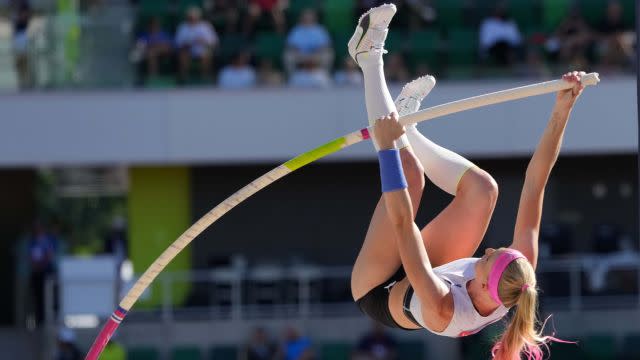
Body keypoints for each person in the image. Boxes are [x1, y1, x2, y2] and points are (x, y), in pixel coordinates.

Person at [348, 5, 583, 359]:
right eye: (495, 252)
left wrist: (385, 147)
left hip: (380, 289)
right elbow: (536, 182)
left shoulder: (444, 308)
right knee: (483, 190)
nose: (486, 251)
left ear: (486, 285)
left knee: (408, 174)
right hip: (428, 269)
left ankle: (367, 56)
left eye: (488, 259)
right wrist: (561, 111)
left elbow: (402, 222)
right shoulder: (518, 277)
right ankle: (408, 126)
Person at [283, 9, 333, 75]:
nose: (307, 19)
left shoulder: (320, 30)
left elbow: (326, 45)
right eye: (305, 17)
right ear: (301, 18)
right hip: (300, 55)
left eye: (309, 17)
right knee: (288, 56)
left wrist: (314, 54)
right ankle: (291, 78)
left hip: (316, 55)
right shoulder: (296, 30)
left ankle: (325, 77)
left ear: (314, 18)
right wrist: (300, 54)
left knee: (328, 55)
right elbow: (290, 46)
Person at [175, 6, 218, 83]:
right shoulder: (183, 27)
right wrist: (189, 43)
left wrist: (203, 41)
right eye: (190, 17)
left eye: (194, 16)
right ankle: (183, 79)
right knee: (183, 55)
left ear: (198, 16)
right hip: (188, 51)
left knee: (206, 55)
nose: (192, 18)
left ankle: (204, 78)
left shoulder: (206, 26)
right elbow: (178, 43)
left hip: (204, 50)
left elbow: (214, 42)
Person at [133, 17, 174, 84]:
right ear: (149, 25)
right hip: (148, 54)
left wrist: (156, 47)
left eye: (156, 25)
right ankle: (153, 78)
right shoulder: (144, 35)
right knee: (150, 53)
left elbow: (169, 45)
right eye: (153, 25)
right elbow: (139, 46)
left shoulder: (163, 34)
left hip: (165, 53)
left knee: (153, 51)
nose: (154, 26)